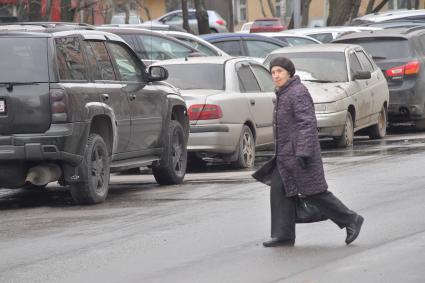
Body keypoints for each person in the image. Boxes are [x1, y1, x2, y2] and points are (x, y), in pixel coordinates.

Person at [262, 57, 364, 247]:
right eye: (273, 72)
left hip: (300, 155)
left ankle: (351, 220)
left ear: (289, 73)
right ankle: (283, 234)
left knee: (315, 192)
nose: (275, 75)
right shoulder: (284, 93)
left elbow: (306, 123)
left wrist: (303, 152)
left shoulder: (297, 92)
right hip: (285, 155)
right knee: (279, 190)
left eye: (279, 72)